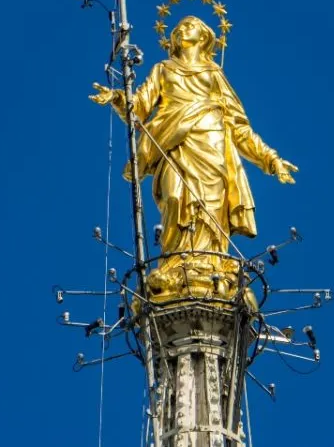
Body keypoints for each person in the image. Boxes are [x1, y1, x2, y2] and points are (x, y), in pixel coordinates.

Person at [90, 15, 296, 298]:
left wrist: (271, 159)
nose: (182, 28)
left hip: (212, 148)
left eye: (191, 25)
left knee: (211, 210)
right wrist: (116, 98)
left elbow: (239, 127)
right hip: (173, 145)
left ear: (204, 37)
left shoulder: (214, 74)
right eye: (179, 27)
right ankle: (176, 263)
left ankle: (210, 265)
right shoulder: (163, 69)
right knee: (174, 198)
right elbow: (137, 108)